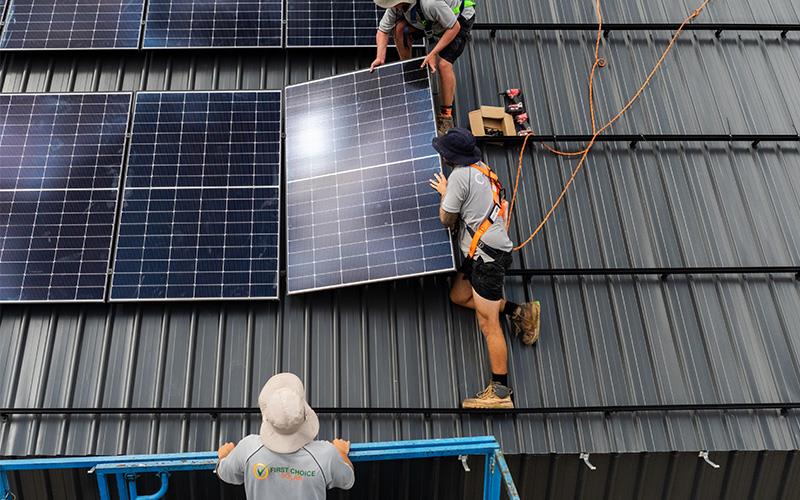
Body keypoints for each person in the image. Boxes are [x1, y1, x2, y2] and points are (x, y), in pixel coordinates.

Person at [429, 128, 541, 409]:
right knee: (458, 296)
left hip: (486, 259)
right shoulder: (483, 168)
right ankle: (520, 311)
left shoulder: (458, 177)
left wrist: (445, 193)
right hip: (486, 251)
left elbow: (446, 218)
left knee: (488, 323)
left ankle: (501, 392)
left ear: (451, 156)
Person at [217, 373, 354, 498]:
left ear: (267, 418)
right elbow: (347, 480)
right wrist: (341, 452)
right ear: (305, 414)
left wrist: (225, 455)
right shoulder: (326, 454)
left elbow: (225, 473)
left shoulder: (248, 449)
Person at [370, 0, 475, 135]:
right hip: (431, 21)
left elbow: (454, 28)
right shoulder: (396, 8)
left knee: (443, 64)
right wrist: (380, 57)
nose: (392, 7)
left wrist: (433, 53)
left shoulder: (431, 3)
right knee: (400, 28)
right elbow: (383, 31)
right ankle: (409, 69)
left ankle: (446, 116)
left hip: (458, 20)